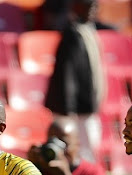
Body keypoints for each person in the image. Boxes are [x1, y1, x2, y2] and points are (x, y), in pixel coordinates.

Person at [44, 0, 104, 162]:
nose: (92, 10)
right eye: (87, 6)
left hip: (85, 105)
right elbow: (66, 73)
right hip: (74, 107)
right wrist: (68, 107)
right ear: (75, 7)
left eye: (94, 6)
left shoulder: (88, 30)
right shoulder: (71, 34)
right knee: (80, 148)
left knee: (90, 145)